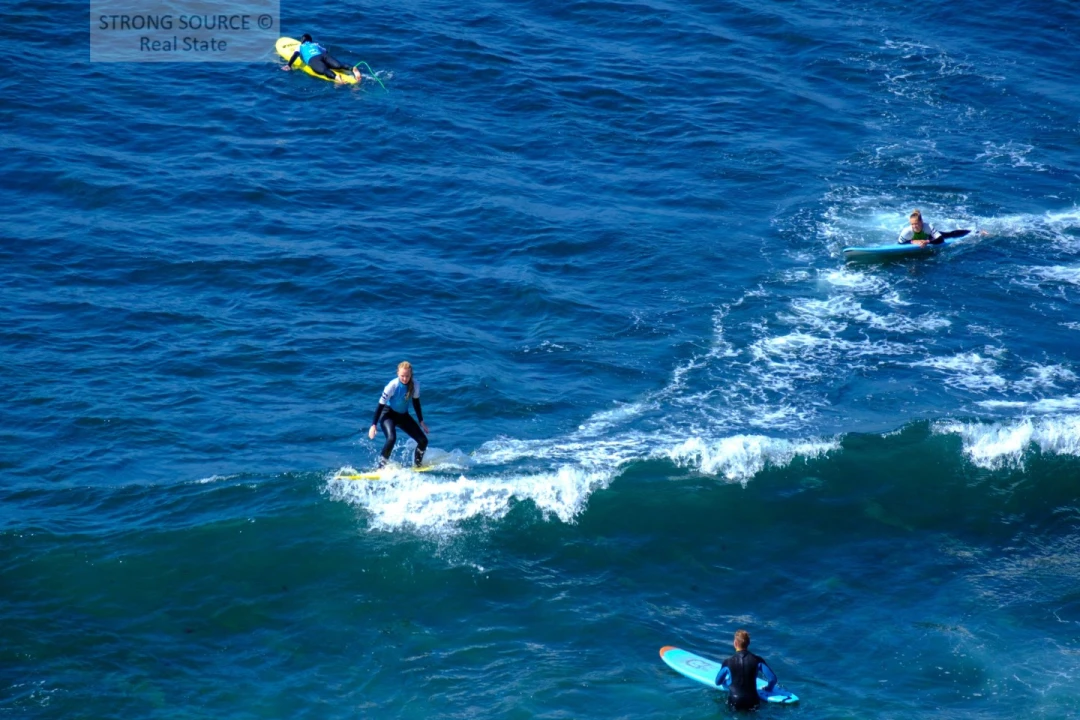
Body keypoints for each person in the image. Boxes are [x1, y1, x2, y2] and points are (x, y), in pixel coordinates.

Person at [368, 361, 429, 468]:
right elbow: (380, 406)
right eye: (402, 376)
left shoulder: (415, 385)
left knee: (423, 441)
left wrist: (421, 421)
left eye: (407, 376)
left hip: (403, 416)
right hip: (387, 415)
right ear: (397, 374)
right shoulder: (392, 385)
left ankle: (418, 465)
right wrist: (373, 425)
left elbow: (416, 403)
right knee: (391, 438)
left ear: (411, 375)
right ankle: (381, 467)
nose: (405, 378)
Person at [715, 629, 778, 711]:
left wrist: (727, 682)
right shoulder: (757, 660)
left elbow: (717, 682)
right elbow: (773, 679)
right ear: (748, 643)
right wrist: (768, 688)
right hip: (753, 701)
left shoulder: (728, 662)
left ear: (735, 643)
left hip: (735, 701)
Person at [281, 34, 361, 84]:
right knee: (339, 65)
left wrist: (289, 65)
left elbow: (295, 55)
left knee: (324, 71)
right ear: (310, 40)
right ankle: (352, 68)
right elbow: (325, 51)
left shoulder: (300, 46)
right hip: (323, 55)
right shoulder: (315, 44)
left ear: (302, 41)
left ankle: (337, 78)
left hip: (313, 59)